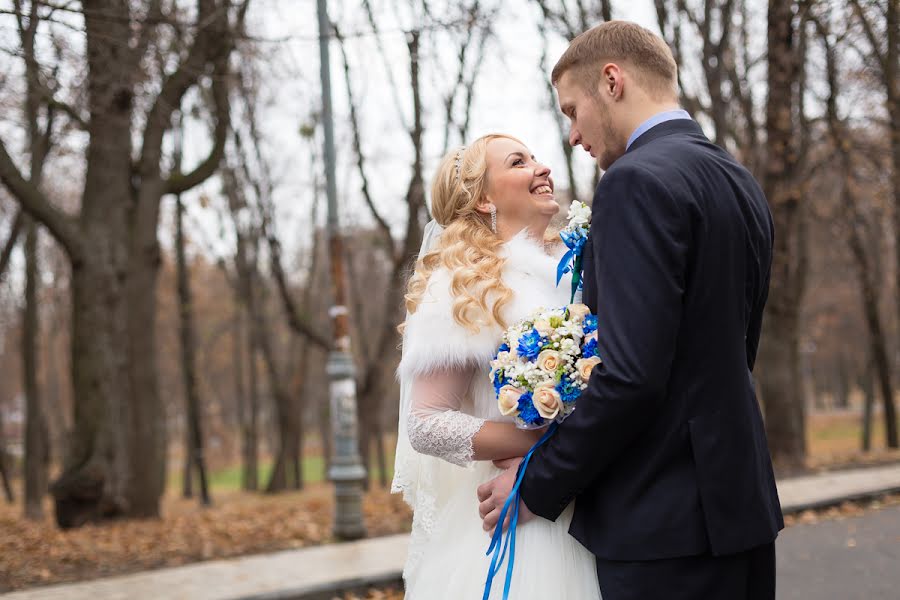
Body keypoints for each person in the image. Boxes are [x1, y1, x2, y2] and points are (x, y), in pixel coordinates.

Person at [477, 20, 783, 600]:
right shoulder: (737, 179)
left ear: (611, 81)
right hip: (740, 506)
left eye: (572, 110)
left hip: (661, 520)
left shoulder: (633, 182)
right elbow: (733, 350)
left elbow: (632, 377)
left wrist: (539, 481)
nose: (572, 135)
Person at [393, 133, 602, 598]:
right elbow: (426, 424)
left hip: (597, 504)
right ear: (484, 197)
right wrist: (540, 442)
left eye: (535, 156)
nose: (542, 167)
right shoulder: (464, 286)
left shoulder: (578, 270)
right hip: (517, 517)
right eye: (519, 161)